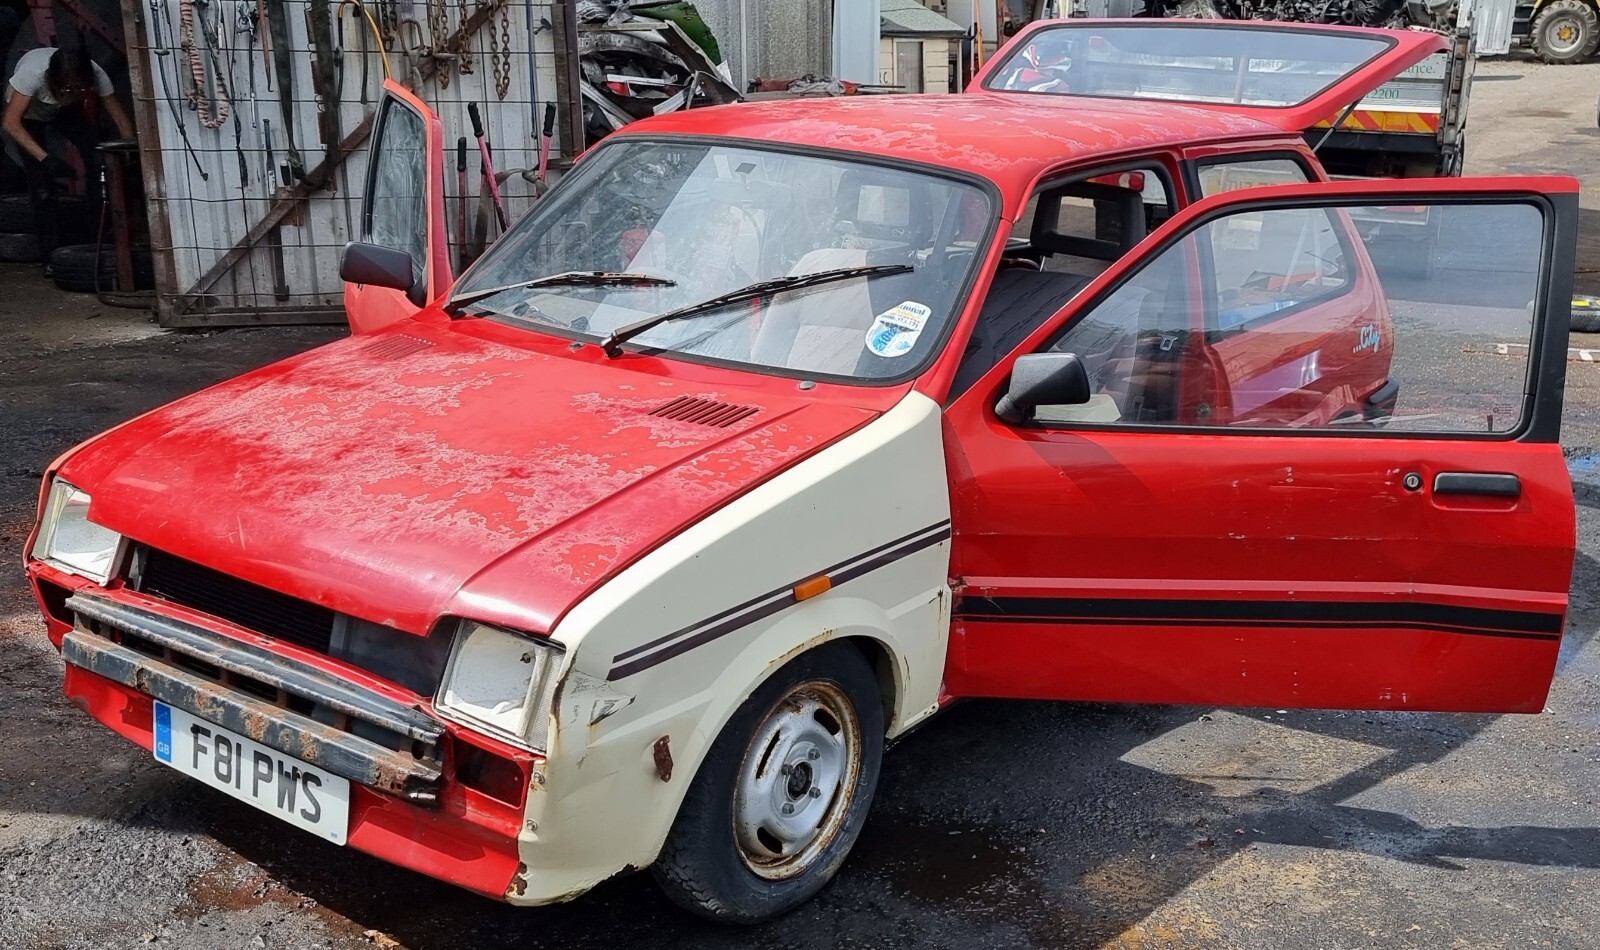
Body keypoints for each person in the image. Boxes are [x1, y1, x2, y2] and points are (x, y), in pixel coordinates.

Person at [1, 46, 135, 262]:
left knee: (97, 158)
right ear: (52, 79)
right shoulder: (32, 75)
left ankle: (95, 240)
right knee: (42, 186)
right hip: (29, 114)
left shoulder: (96, 73)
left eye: (79, 88)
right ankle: (51, 256)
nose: (73, 91)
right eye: (68, 87)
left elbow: (120, 118)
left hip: (64, 110)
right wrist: (46, 158)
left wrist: (127, 155)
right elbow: (10, 123)